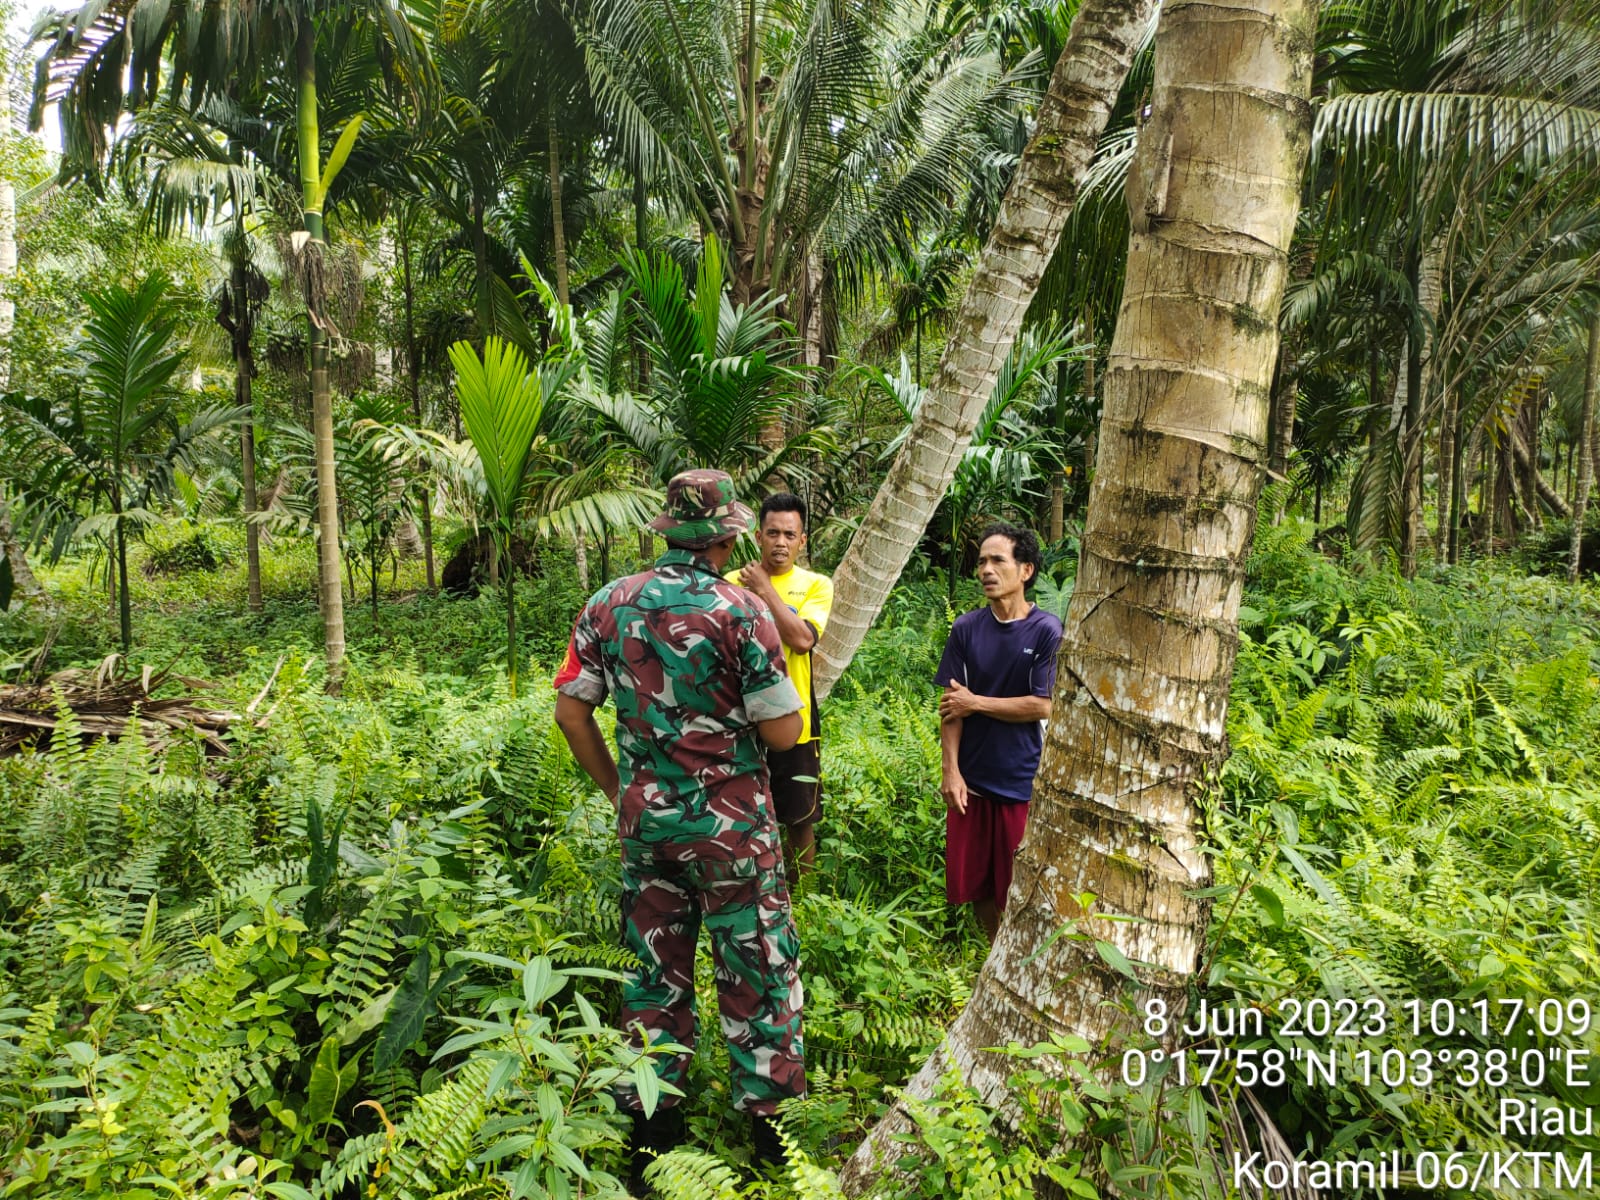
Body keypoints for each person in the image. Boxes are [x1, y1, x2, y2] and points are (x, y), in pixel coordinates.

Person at [552, 469, 806, 1186]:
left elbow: (573, 711)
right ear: (732, 534)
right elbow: (785, 734)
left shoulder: (608, 603)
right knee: (757, 966)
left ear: (667, 527)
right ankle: (768, 1140)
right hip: (734, 832)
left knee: (653, 967)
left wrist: (619, 790)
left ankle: (650, 1135)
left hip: (649, 828)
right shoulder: (742, 610)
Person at [934, 521, 1062, 943]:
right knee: (977, 886)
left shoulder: (1046, 630)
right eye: (982, 561)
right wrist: (950, 771)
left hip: (1021, 780)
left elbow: (1042, 704)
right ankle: (995, 952)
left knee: (1018, 885)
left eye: (997, 560)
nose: (985, 569)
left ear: (1025, 570)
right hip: (972, 781)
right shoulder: (966, 628)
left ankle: (1018, 957)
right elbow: (951, 709)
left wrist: (978, 703)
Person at [727, 493, 833, 877]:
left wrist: (764, 590)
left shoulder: (816, 585)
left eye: (790, 534)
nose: (781, 543)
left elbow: (802, 640)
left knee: (799, 814)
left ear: (803, 540)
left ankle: (803, 895)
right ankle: (751, 886)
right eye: (773, 533)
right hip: (737, 718)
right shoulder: (728, 584)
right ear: (758, 536)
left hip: (794, 715)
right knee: (739, 809)